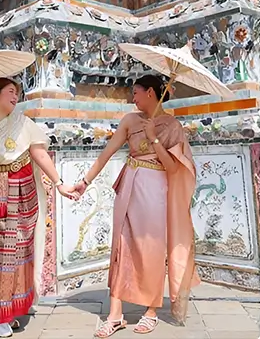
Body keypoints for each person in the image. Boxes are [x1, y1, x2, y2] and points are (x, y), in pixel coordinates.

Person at [75, 75, 199, 338]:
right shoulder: (130, 121)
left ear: (152, 93)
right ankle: (115, 314)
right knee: (121, 246)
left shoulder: (172, 125)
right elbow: (107, 152)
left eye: (137, 92)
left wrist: (154, 137)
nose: (133, 98)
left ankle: (151, 310)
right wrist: (85, 182)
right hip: (129, 183)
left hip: (155, 190)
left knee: (151, 249)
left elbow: (172, 167)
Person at [0, 78, 79, 338]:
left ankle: (7, 308)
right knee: (4, 252)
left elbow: (39, 154)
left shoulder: (24, 123)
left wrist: (60, 183)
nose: (15, 97)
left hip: (27, 188)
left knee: (22, 250)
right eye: (10, 92)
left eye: (17, 93)